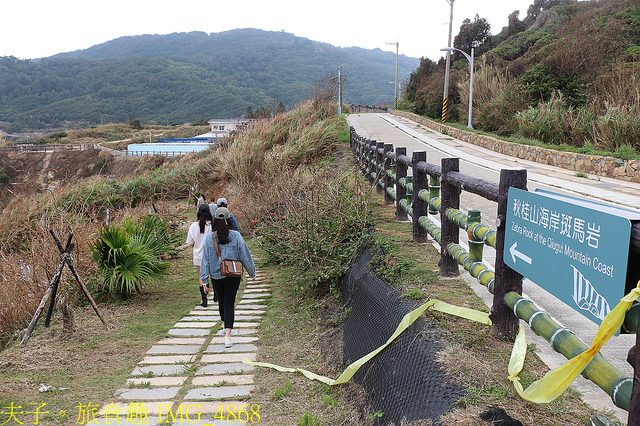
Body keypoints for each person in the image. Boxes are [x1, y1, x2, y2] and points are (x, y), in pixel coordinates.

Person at [201, 207, 255, 348]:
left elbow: (205, 260)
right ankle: (228, 336)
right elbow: (245, 256)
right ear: (229, 220)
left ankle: (225, 326)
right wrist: (252, 272)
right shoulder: (236, 236)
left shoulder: (209, 238)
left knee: (221, 301)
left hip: (216, 276)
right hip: (233, 274)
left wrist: (204, 280)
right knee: (229, 302)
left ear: (215, 221)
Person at [186, 204, 212, 307]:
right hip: (211, 254)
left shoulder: (193, 226)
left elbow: (190, 242)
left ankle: (204, 299)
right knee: (213, 275)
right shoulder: (211, 225)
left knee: (201, 277)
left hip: (199, 255)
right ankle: (216, 296)